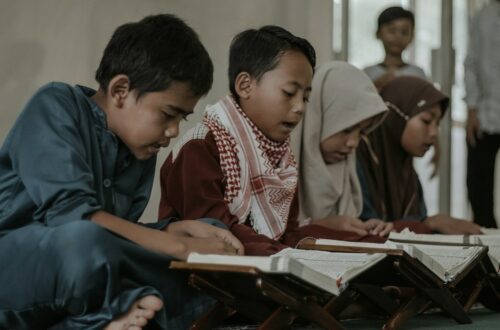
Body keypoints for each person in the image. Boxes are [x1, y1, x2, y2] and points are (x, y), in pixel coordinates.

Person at [0, 14, 244, 330]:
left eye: (181, 120)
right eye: (168, 114)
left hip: (88, 272)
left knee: (207, 231)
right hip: (20, 269)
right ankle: (112, 314)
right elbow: (72, 217)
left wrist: (172, 231)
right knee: (84, 243)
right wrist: (179, 247)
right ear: (120, 90)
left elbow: (120, 232)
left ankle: (115, 313)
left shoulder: (139, 147)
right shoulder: (55, 104)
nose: (172, 132)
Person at [159, 26, 388, 257]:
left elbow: (287, 234)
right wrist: (289, 256)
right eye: (289, 93)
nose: (300, 108)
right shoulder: (201, 148)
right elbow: (218, 233)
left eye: (306, 97)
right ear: (245, 86)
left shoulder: (281, 158)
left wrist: (361, 246)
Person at [357, 76, 482, 235]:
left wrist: (430, 223)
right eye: (426, 121)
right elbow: (364, 230)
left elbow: (416, 220)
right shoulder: (357, 157)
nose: (434, 133)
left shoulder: (407, 172)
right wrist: (429, 223)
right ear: (396, 117)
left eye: (437, 124)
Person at [293, 61, 396, 236]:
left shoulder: (350, 165)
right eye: (346, 129)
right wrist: (320, 226)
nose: (353, 143)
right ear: (318, 117)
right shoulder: (278, 164)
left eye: (362, 132)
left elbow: (352, 219)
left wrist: (368, 225)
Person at [464, 0, 500, 229]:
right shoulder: (482, 15)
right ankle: (487, 241)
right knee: (478, 186)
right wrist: (471, 109)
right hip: (486, 114)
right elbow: (471, 63)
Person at [364, 6, 426, 91]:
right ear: (378, 33)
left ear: (412, 37)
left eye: (404, 32)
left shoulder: (418, 74)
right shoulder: (367, 74)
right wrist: (375, 86)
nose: (398, 37)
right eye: (392, 31)